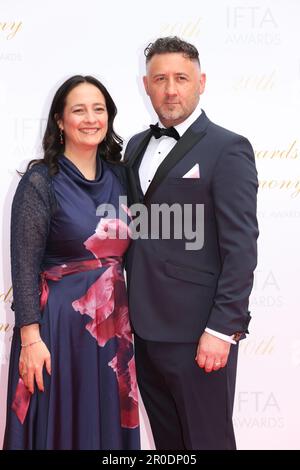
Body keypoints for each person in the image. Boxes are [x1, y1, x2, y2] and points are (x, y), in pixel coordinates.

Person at [124, 37, 258, 450]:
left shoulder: (228, 148)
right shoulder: (135, 146)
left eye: (181, 78)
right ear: (146, 85)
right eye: (160, 79)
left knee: (207, 442)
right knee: (169, 446)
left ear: (201, 82)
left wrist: (223, 328)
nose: (170, 89)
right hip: (144, 332)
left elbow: (242, 245)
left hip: (200, 334)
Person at [3, 75, 140, 450]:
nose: (90, 118)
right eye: (78, 110)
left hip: (113, 329)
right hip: (56, 329)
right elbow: (25, 266)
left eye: (98, 109)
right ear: (60, 121)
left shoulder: (122, 177)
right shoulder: (39, 181)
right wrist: (30, 338)